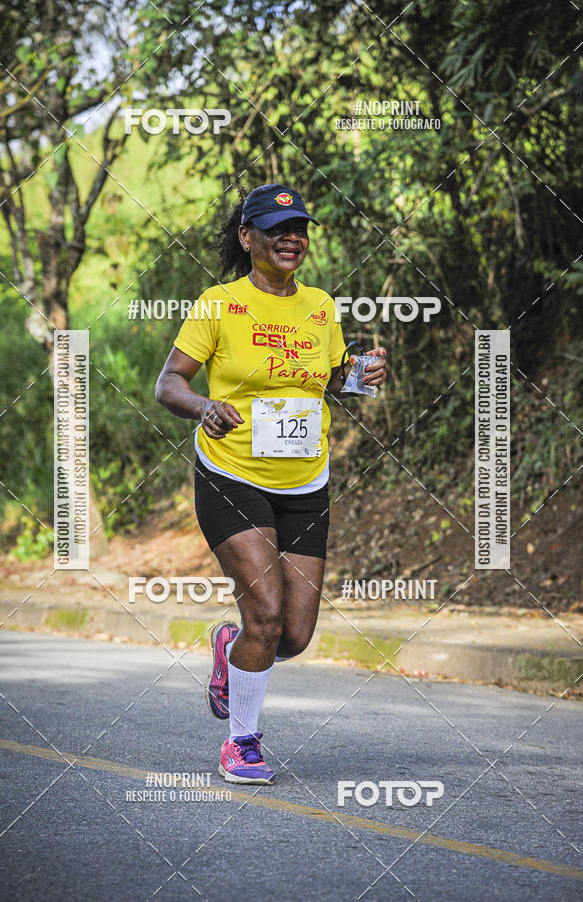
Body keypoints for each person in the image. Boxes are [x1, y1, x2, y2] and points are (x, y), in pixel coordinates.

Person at [155, 183, 388, 784]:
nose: (291, 238)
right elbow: (169, 384)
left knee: (294, 633)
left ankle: (230, 649)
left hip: (305, 478)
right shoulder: (218, 304)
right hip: (233, 472)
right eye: (276, 228)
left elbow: (327, 381)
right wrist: (203, 405)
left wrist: (361, 374)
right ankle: (243, 742)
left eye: (299, 229)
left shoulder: (320, 307)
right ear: (247, 238)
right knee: (265, 610)